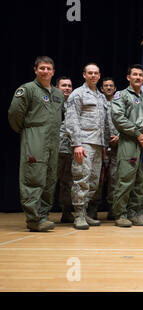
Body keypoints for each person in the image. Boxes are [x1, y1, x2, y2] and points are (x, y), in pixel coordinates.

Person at [8, 56, 64, 232]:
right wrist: (28, 132)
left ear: (53, 72)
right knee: (33, 178)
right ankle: (33, 219)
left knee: (49, 178)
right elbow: (14, 114)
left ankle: (43, 215)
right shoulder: (27, 89)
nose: (45, 71)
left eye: (48, 68)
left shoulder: (58, 94)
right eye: (42, 68)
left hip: (54, 140)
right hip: (35, 137)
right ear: (35, 70)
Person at [111, 64, 143, 227]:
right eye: (135, 75)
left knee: (141, 180)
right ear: (128, 77)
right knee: (126, 179)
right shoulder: (122, 95)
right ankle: (120, 214)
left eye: (141, 75)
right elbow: (118, 118)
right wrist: (138, 134)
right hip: (130, 141)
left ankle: (134, 213)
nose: (138, 77)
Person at [65, 63, 110, 230]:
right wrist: (77, 144)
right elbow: (71, 120)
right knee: (80, 179)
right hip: (83, 144)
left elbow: (105, 123)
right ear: (84, 75)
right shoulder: (78, 94)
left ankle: (86, 211)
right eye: (90, 73)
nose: (93, 75)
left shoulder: (101, 96)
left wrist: (105, 144)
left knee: (93, 181)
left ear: (99, 76)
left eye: (96, 73)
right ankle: (79, 214)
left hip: (98, 144)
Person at [88, 77, 119, 220]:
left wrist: (119, 136)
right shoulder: (97, 101)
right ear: (101, 88)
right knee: (97, 178)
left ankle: (113, 208)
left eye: (111, 86)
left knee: (115, 178)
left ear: (115, 88)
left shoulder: (120, 103)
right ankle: (92, 208)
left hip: (117, 147)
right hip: (99, 145)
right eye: (105, 85)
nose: (108, 88)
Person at [55, 76, 74, 223]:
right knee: (49, 181)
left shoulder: (74, 104)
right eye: (64, 85)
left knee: (67, 183)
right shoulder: (52, 103)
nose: (67, 88)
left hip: (70, 149)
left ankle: (66, 212)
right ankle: (41, 213)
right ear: (57, 88)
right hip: (54, 148)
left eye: (69, 86)